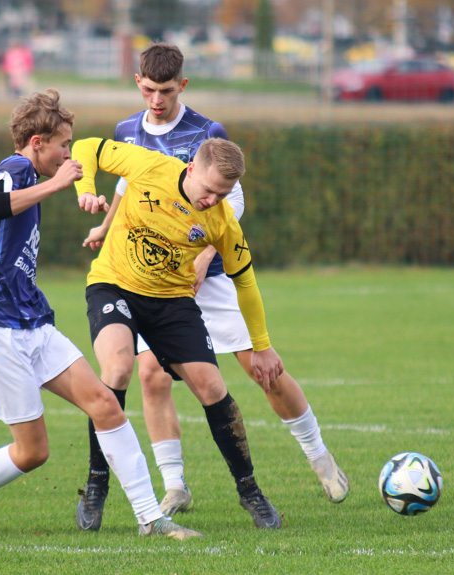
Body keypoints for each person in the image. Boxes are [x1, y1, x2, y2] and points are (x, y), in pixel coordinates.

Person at [72, 43, 349, 533]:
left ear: (182, 85)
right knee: (141, 373)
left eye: (166, 90)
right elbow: (123, 184)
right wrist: (103, 224)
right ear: (139, 83)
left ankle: (317, 455)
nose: (157, 99)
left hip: (202, 271)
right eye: (149, 89)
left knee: (254, 370)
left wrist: (203, 252)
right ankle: (166, 484)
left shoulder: (209, 138)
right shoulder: (130, 137)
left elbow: (229, 204)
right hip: (132, 271)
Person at [0, 89, 201, 541]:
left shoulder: (30, 175)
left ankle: (152, 518)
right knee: (32, 453)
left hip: (33, 322)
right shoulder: (13, 170)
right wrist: (55, 183)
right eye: (63, 145)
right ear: (36, 143)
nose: (69, 153)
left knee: (106, 404)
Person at [72, 134, 286, 530]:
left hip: (172, 302)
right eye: (208, 190)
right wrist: (85, 190)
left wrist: (262, 347)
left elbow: (247, 283)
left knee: (212, 387)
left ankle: (251, 492)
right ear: (191, 169)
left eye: (222, 195)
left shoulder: (221, 220)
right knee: (118, 369)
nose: (212, 201)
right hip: (114, 284)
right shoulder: (149, 165)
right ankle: (96, 484)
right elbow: (86, 146)